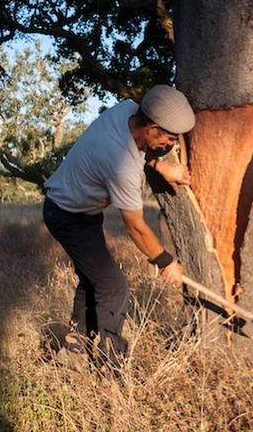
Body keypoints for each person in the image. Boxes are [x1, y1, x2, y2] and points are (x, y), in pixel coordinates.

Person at [43, 84, 195, 370]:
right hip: (66, 215)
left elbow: (140, 148)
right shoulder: (120, 164)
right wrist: (166, 262)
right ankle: (110, 367)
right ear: (151, 127)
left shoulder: (127, 110)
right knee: (114, 287)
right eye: (170, 139)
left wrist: (160, 166)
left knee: (94, 279)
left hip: (77, 210)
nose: (171, 146)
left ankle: (76, 348)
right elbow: (135, 227)